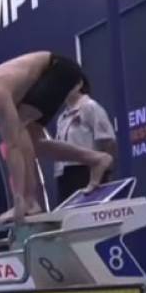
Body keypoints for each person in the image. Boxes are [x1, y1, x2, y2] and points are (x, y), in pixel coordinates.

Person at [0, 52, 113, 228]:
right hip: (38, 82)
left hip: (58, 69)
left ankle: (30, 201)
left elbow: (13, 146)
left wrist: (18, 199)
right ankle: (97, 159)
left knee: (19, 126)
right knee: (34, 144)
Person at [54, 76, 117, 204]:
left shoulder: (90, 107)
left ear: (79, 84)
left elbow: (108, 141)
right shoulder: (62, 117)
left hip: (86, 172)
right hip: (64, 174)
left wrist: (103, 172)